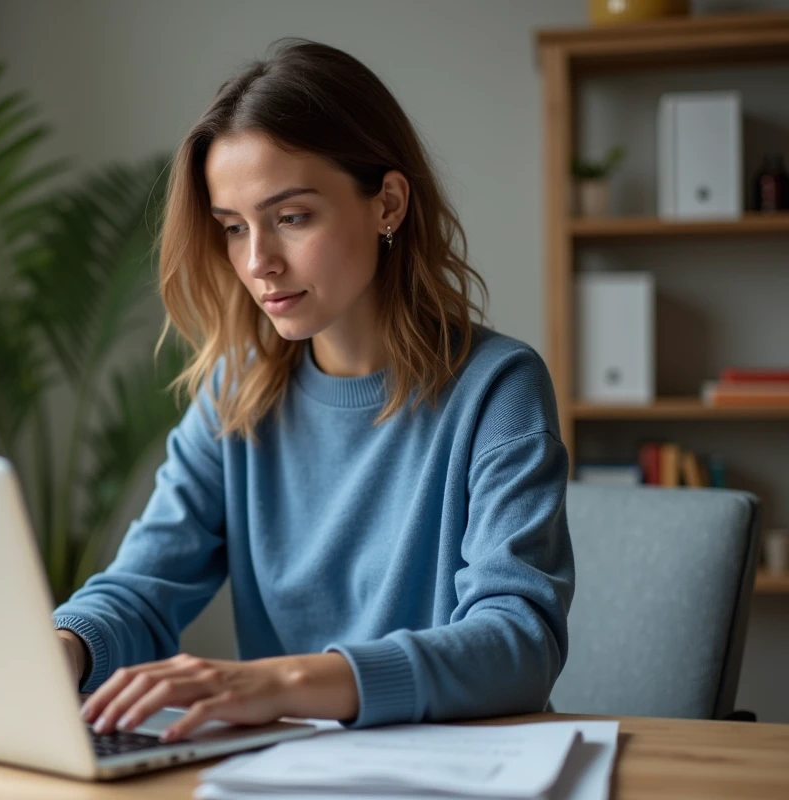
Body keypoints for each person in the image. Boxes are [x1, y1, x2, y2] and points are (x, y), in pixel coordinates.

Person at [53, 37, 574, 745]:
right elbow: (143, 586)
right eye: (233, 229)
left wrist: (283, 683)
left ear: (387, 204)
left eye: (291, 217)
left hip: (463, 768)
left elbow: (519, 641)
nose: (258, 262)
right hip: (291, 772)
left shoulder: (497, 390)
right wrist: (62, 647)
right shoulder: (236, 394)